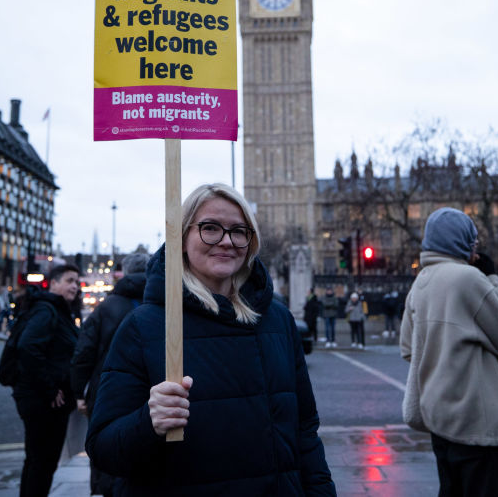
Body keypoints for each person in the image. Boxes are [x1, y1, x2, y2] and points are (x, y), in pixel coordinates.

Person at [87, 183, 335, 496]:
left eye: (239, 231)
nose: (226, 241)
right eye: (210, 228)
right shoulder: (142, 327)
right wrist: (148, 422)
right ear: (182, 238)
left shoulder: (278, 320)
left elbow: (305, 432)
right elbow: (104, 449)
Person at [401, 208, 498, 497]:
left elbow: (408, 348)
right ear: (461, 242)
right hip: (477, 423)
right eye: (473, 242)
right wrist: (493, 279)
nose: (476, 249)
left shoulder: (420, 282)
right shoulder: (469, 279)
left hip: (439, 420)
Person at [70, 251, 149, 497]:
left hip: (106, 390)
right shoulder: (163, 304)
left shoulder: (106, 308)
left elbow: (84, 353)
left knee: (105, 452)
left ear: (124, 273)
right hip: (152, 391)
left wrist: (78, 392)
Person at [13, 264, 80, 497]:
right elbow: (28, 347)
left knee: (37, 461)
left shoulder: (57, 310)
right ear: (53, 284)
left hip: (42, 398)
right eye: (69, 280)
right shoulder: (47, 311)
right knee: (43, 463)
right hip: (44, 401)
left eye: (77, 282)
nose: (74, 286)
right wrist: (50, 389)